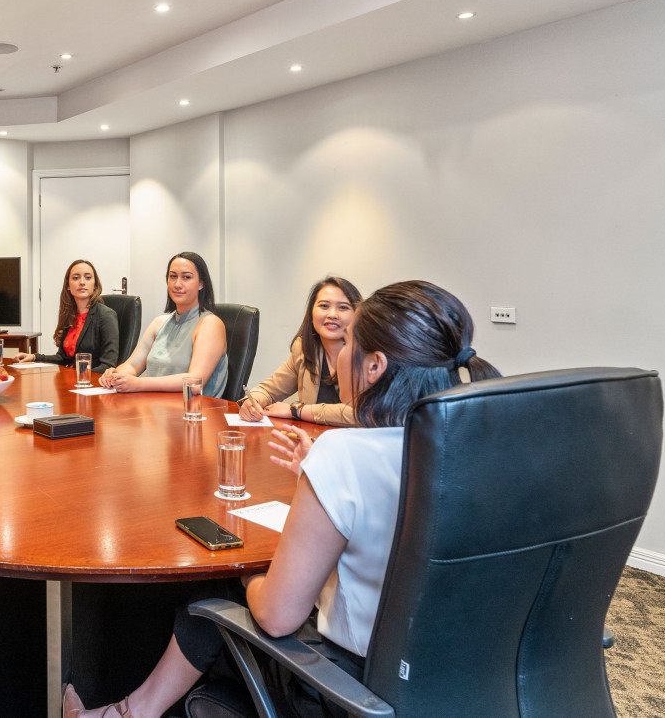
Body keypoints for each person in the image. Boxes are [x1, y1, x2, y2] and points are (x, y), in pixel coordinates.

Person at [64, 280, 499, 718]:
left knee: (218, 585)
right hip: (455, 678)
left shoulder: (348, 454)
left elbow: (277, 617)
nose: (340, 352)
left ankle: (127, 713)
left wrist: (252, 575)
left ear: (374, 367)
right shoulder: (474, 447)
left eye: (350, 342)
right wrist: (318, 476)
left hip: (349, 685)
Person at [99, 252, 228, 398]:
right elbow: (132, 365)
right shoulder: (159, 322)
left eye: (186, 277)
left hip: (193, 412)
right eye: (173, 276)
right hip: (155, 407)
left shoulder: (210, 324)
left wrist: (138, 384)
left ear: (201, 283)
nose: (178, 284)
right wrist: (115, 374)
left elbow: (195, 381)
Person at [239, 276, 363, 426]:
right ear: (311, 312)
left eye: (343, 307)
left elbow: (362, 413)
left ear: (357, 314)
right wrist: (252, 402)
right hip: (315, 442)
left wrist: (297, 410)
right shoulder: (304, 350)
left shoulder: (370, 356)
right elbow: (269, 390)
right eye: (324, 306)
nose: (332, 314)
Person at [14, 259, 120, 372]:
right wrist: (34, 357)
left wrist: (81, 378)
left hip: (89, 383)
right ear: (68, 286)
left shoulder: (106, 315)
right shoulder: (70, 315)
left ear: (95, 285)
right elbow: (62, 358)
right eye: (76, 278)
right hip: (68, 379)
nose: (82, 282)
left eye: (88, 277)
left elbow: (108, 365)